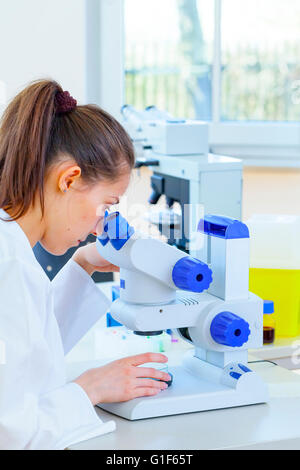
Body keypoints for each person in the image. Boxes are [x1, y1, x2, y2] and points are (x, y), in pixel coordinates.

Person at [0, 80, 170, 450]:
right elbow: (12, 434)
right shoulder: (9, 265)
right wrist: (89, 388)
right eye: (106, 204)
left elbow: (26, 349)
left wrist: (85, 263)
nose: (100, 226)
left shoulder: (10, 248)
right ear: (69, 179)